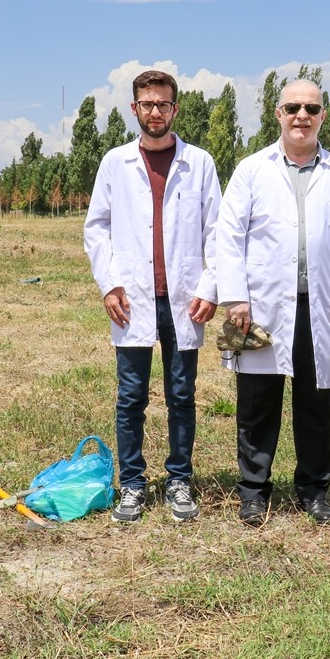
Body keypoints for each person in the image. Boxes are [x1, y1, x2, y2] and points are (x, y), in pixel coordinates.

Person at [215, 80, 330, 526]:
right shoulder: (252, 170)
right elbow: (228, 236)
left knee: (316, 403)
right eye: (292, 108)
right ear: (278, 114)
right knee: (257, 404)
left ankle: (314, 489)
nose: (301, 116)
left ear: (323, 115)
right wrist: (235, 298)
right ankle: (253, 492)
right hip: (259, 308)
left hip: (322, 307)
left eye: (311, 108)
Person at [84, 69, 221, 524]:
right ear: (134, 109)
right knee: (131, 397)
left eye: (163, 104)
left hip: (185, 298)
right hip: (132, 298)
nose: (156, 111)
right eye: (148, 104)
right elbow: (96, 228)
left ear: (175, 109)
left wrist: (210, 287)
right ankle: (133, 484)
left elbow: (216, 230)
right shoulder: (115, 163)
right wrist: (109, 284)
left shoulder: (199, 163)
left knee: (182, 395)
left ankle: (179, 480)